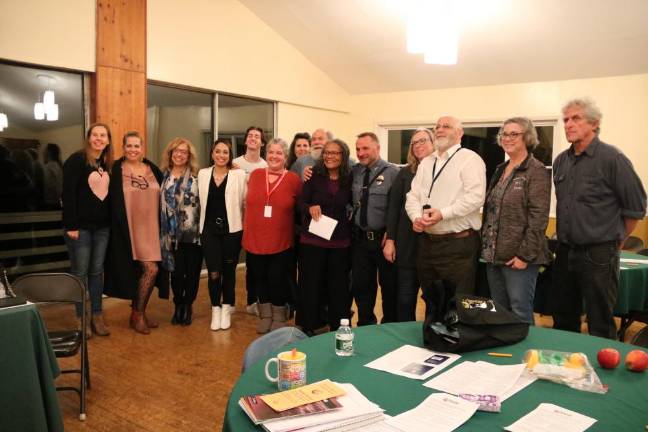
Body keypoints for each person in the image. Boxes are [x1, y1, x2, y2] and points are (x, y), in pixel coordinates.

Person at [552, 98, 646, 339]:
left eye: (576, 118)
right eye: (566, 120)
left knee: (600, 321)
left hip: (599, 252)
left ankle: (604, 374)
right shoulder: (561, 161)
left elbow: (635, 207)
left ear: (594, 123)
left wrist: (616, 242)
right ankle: (563, 369)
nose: (569, 124)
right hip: (564, 251)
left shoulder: (612, 158)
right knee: (563, 317)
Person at [405, 116, 486, 315]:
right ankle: (433, 340)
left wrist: (443, 214)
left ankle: (456, 345)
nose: (440, 130)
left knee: (457, 304)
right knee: (431, 300)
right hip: (427, 243)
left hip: (457, 246)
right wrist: (416, 217)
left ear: (460, 134)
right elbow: (412, 195)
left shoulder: (469, 159)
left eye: (446, 126)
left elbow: (475, 198)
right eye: (438, 126)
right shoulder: (427, 162)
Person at [481, 117, 552, 324]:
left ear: (527, 138)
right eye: (505, 133)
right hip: (494, 256)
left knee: (520, 311)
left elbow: (538, 218)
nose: (508, 138)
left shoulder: (536, 170)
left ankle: (525, 356)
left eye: (515, 134)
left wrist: (524, 256)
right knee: (500, 311)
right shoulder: (500, 169)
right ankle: (505, 351)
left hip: (519, 259)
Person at [105, 131, 164, 335]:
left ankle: (140, 311)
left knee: (149, 270)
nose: (133, 150)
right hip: (128, 230)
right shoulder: (115, 169)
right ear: (123, 148)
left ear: (142, 148)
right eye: (129, 146)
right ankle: (137, 314)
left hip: (151, 230)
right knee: (150, 270)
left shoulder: (152, 169)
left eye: (136, 146)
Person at [242, 138, 302, 333]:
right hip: (254, 237)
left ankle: (278, 315)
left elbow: (301, 208)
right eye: (271, 152)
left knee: (277, 278)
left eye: (279, 153)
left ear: (285, 157)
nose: (274, 156)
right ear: (266, 155)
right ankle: (265, 314)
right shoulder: (255, 175)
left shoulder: (293, 179)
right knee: (259, 277)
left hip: (281, 239)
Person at [62, 123, 114, 336]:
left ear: (108, 140)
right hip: (80, 229)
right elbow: (68, 194)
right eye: (95, 135)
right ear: (89, 138)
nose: (99, 139)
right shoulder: (77, 160)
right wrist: (71, 225)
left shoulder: (107, 164)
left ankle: (97, 316)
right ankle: (81, 319)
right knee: (80, 273)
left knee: (96, 272)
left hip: (102, 228)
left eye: (103, 135)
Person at [298, 139, 353, 334]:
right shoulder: (313, 176)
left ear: (343, 156)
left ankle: (339, 326)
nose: (330, 156)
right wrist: (309, 207)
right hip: (313, 241)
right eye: (327, 153)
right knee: (311, 284)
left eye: (335, 153)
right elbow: (301, 203)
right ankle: (309, 326)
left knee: (338, 287)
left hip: (340, 242)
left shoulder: (349, 178)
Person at [383, 128, 435, 322]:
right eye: (415, 142)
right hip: (407, 244)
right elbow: (394, 208)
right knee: (405, 297)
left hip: (434, 245)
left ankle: (432, 336)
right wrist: (390, 239)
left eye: (423, 141)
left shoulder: (442, 171)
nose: (419, 145)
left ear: (434, 142)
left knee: (433, 297)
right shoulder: (404, 173)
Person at [351, 132, 399, 326]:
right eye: (358, 149)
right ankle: (365, 325)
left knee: (389, 287)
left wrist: (391, 235)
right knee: (362, 287)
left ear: (377, 148)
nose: (361, 153)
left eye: (365, 148)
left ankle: (389, 327)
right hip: (360, 240)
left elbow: (399, 207)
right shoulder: (354, 171)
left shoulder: (393, 173)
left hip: (383, 240)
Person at [198, 139, 246, 331]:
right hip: (209, 231)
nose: (221, 155)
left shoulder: (239, 175)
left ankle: (227, 307)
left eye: (225, 152)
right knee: (213, 272)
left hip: (231, 231)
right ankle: (215, 309)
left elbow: (247, 198)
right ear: (212, 154)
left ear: (230, 155)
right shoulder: (202, 174)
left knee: (229, 272)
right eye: (217, 151)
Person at [159, 138, 201, 326]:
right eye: (176, 151)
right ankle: (178, 305)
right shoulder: (162, 176)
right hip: (170, 234)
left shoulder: (197, 176)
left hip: (193, 234)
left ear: (189, 156)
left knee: (192, 273)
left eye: (184, 151)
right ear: (170, 153)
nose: (179, 154)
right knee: (176, 274)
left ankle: (188, 305)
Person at [232, 126, 268, 316]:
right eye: (250, 136)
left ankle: (254, 300)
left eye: (257, 136)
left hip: (256, 222)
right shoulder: (234, 163)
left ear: (262, 142)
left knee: (254, 264)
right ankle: (227, 303)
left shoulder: (266, 166)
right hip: (235, 220)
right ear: (245, 141)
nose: (253, 139)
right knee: (230, 262)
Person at [43, 143, 63, 209]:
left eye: (44, 150)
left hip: (50, 202)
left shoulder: (48, 167)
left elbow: (47, 185)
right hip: (59, 200)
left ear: (48, 153)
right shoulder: (59, 166)